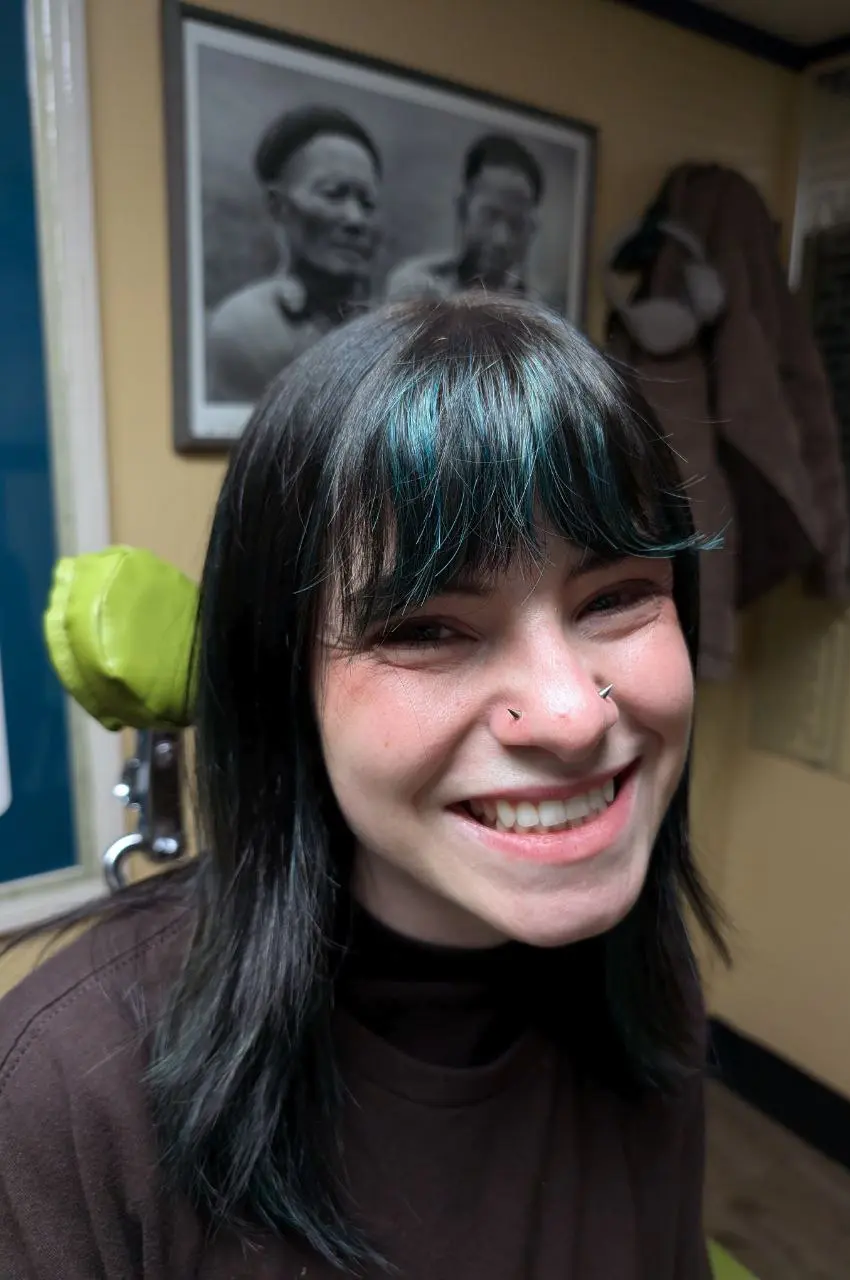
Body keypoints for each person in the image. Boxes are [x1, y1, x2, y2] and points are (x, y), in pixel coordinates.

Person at [0, 294, 724, 1279]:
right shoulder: (65, 1098)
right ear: (283, 685)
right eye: (428, 629)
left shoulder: (646, 977)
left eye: (616, 597)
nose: (571, 715)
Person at [206, 105, 382, 403]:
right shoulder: (246, 326)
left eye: (367, 203)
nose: (355, 219)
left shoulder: (386, 328)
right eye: (333, 194)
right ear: (278, 206)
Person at [385, 133, 542, 301]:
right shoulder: (416, 285)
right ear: (463, 208)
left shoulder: (535, 311)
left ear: (531, 230)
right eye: (489, 216)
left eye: (516, 225)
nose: (501, 239)